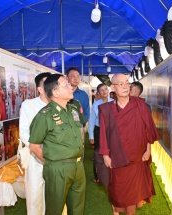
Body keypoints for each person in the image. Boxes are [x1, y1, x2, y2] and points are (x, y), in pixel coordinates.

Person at [99, 74, 160, 215]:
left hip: (137, 157)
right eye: (120, 84)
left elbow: (147, 129)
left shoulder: (140, 105)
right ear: (113, 88)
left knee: (133, 195)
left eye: (127, 83)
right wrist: (105, 155)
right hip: (117, 158)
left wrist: (148, 150)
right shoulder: (106, 109)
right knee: (117, 191)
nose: (125, 86)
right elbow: (103, 134)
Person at [29, 74, 86, 215]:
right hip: (58, 169)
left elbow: (80, 131)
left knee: (77, 209)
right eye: (65, 85)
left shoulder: (73, 109)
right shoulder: (44, 115)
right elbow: (34, 146)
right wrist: (51, 163)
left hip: (78, 166)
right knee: (55, 210)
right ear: (55, 92)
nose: (70, 86)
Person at [19, 72, 51, 215]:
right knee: (35, 197)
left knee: (54, 197)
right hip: (34, 157)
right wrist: (37, 149)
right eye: (47, 84)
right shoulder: (28, 105)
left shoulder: (60, 105)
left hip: (56, 158)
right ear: (40, 89)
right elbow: (24, 133)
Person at [88, 84, 113, 182]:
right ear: (98, 93)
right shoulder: (96, 104)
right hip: (99, 130)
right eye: (101, 90)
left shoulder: (114, 102)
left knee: (112, 151)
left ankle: (112, 173)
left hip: (111, 131)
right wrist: (91, 135)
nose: (104, 91)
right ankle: (97, 175)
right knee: (98, 152)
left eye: (105, 89)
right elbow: (92, 121)